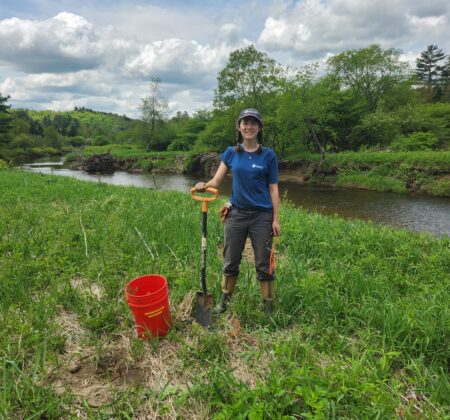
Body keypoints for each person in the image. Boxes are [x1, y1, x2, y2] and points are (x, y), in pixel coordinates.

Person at [195, 108, 280, 314]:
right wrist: (203, 185)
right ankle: (224, 303)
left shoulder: (268, 155)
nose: (249, 126)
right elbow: (217, 180)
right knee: (231, 259)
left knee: (263, 261)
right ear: (239, 127)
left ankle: (268, 305)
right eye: (245, 122)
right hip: (237, 215)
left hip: (262, 216)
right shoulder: (231, 152)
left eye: (253, 123)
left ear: (259, 128)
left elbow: (273, 188)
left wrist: (275, 219)